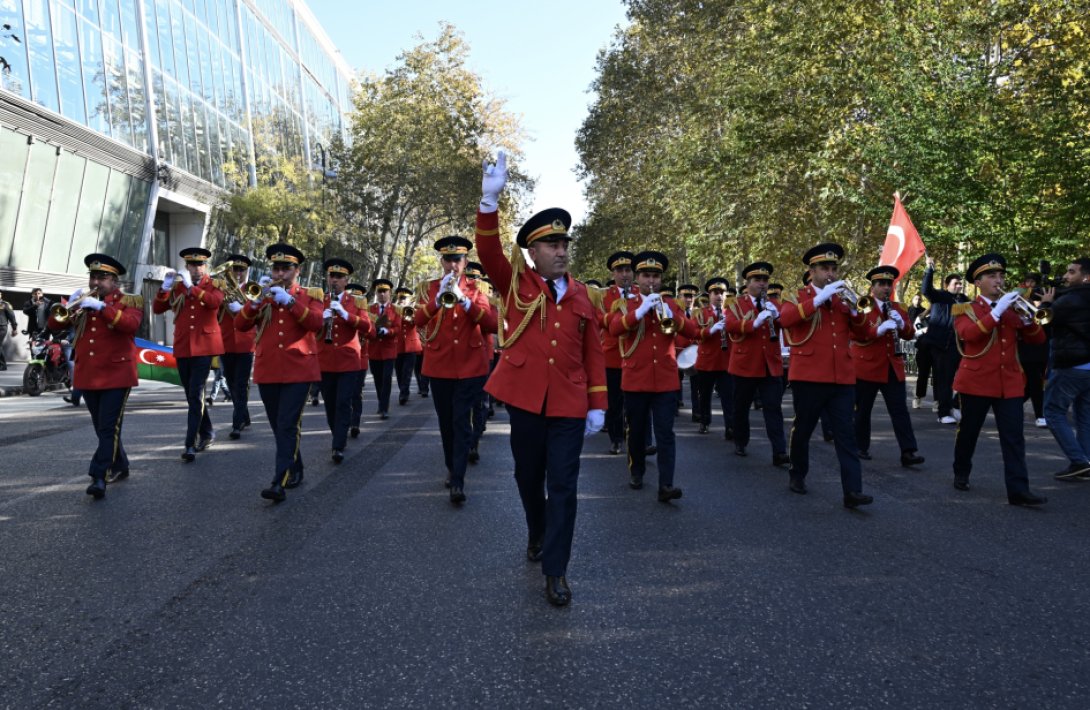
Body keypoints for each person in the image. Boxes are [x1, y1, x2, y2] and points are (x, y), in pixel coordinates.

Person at [476, 152, 606, 607]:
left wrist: (597, 402)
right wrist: (489, 204)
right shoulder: (515, 284)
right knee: (529, 477)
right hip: (527, 400)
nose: (561, 250)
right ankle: (536, 528)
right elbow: (489, 251)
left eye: (565, 243)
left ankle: (557, 570)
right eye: (552, 245)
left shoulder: (585, 295)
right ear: (533, 252)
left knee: (565, 485)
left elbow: (593, 349)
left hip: (570, 403)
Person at [779, 243, 875, 508]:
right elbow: (785, 320)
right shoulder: (797, 296)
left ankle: (852, 491)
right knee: (804, 429)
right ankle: (797, 473)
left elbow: (865, 334)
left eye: (833, 269)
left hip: (841, 377)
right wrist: (819, 299)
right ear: (812, 272)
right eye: (824, 269)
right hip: (809, 376)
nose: (830, 274)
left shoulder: (843, 300)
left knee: (846, 435)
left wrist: (856, 311)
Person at [951, 253, 1047, 506]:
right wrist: (997, 311)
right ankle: (961, 470)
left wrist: (1029, 321)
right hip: (976, 382)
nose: (998, 280)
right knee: (969, 431)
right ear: (978, 282)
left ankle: (1018, 490)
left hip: (1010, 382)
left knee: (1014, 437)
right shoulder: (966, 309)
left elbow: (1038, 341)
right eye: (992, 276)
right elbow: (968, 335)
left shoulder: (1013, 307)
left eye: (1001, 275)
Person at [47, 254, 142, 498]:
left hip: (117, 374)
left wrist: (103, 308)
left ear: (114, 281)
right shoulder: (83, 301)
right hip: (88, 374)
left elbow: (131, 325)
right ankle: (120, 463)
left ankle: (99, 475)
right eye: (93, 277)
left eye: (102, 277)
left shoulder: (129, 300)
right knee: (102, 428)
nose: (96, 282)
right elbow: (54, 325)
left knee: (109, 427)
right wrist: (71, 305)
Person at [235, 243, 324, 502]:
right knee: (278, 426)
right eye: (276, 268)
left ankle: (279, 481)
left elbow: (316, 323)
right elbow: (241, 325)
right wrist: (256, 301)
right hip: (268, 368)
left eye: (286, 268)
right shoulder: (263, 295)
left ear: (297, 270)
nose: (280, 273)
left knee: (287, 424)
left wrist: (292, 302)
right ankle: (295, 467)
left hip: (299, 369)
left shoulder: (311, 294)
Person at [609, 250, 701, 501]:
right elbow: (614, 328)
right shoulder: (625, 304)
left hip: (665, 379)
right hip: (636, 379)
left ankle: (666, 484)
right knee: (637, 431)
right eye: (646, 275)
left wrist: (676, 319)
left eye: (655, 276)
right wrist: (638, 313)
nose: (651, 281)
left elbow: (694, 331)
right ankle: (636, 470)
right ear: (637, 278)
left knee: (665, 433)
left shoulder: (672, 304)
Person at [413, 236, 497, 503]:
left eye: (457, 260)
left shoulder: (476, 288)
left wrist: (465, 301)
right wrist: (436, 302)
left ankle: (458, 480)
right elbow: (416, 320)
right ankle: (452, 466)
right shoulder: (428, 289)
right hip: (439, 366)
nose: (452, 265)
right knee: (446, 425)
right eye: (448, 260)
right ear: (441, 261)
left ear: (465, 262)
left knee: (461, 423)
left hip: (471, 366)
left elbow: (492, 324)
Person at [152, 247, 224, 462]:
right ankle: (208, 431)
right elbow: (157, 309)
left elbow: (215, 303)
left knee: (195, 394)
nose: (196, 268)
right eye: (192, 265)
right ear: (186, 266)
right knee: (193, 396)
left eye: (200, 264)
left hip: (204, 346)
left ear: (206, 266)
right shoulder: (177, 287)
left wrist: (191, 287)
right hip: (184, 346)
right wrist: (165, 288)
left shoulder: (214, 285)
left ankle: (189, 443)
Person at [850, 266, 925, 467]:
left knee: (899, 410)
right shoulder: (864, 304)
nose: (885, 288)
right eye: (881, 284)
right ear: (872, 286)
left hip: (892, 366)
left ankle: (908, 451)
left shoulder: (897, 307)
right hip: (867, 365)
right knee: (863, 410)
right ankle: (860, 446)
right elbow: (855, 332)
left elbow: (909, 334)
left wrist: (902, 325)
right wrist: (878, 330)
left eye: (888, 284)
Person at [724, 262, 789, 465]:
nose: (762, 284)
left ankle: (779, 451)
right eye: (757, 280)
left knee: (773, 407)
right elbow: (730, 325)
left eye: (765, 280)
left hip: (770, 364)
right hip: (745, 364)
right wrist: (754, 323)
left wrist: (778, 316)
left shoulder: (774, 303)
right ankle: (741, 441)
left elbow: (788, 324)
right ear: (748, 283)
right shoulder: (735, 304)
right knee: (741, 406)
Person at [1037, 257, 1090, 480]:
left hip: (1071, 365)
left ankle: (1078, 461)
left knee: (1052, 412)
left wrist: (1047, 303)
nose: (1066, 276)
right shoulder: (1075, 297)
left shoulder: (1073, 299)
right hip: (1087, 367)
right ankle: (1085, 462)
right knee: (1084, 417)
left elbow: (1043, 320)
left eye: (1071, 272)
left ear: (1086, 277)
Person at [317, 258, 371, 463]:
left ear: (347, 279)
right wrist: (320, 318)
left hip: (349, 360)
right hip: (325, 360)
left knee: (343, 402)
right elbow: (310, 327)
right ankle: (337, 434)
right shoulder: (318, 299)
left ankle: (338, 444)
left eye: (339, 277)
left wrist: (346, 315)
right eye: (332, 276)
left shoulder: (357, 302)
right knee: (330, 403)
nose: (335, 280)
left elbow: (367, 327)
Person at [920, 256, 969, 424]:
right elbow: (926, 289)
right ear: (947, 285)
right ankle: (943, 413)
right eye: (956, 283)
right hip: (941, 345)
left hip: (960, 346)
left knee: (966, 376)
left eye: (960, 283)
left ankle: (955, 405)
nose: (959, 286)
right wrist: (929, 269)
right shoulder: (939, 296)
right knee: (945, 380)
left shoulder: (964, 300)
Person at [599, 251, 636, 454]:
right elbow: (599, 319)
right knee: (614, 402)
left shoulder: (641, 295)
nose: (625, 274)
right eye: (620, 270)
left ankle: (640, 439)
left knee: (637, 402)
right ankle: (616, 438)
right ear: (613, 273)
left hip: (637, 355)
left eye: (628, 270)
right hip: (613, 356)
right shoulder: (604, 296)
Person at [217, 254, 256, 439]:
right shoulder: (221, 289)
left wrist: (242, 309)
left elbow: (257, 312)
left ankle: (236, 424)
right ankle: (244, 415)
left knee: (240, 384)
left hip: (245, 342)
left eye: (241, 270)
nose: (238, 273)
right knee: (231, 382)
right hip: (225, 342)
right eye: (235, 269)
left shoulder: (251, 290)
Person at [693, 277, 734, 437]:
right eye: (715, 293)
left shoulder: (732, 312)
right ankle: (704, 421)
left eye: (722, 293)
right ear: (709, 295)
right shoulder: (700, 313)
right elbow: (694, 333)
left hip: (726, 361)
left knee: (728, 397)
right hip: (707, 361)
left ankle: (730, 426)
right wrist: (709, 330)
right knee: (704, 395)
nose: (719, 296)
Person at [366, 279, 401, 420]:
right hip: (374, 349)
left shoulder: (396, 310)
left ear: (389, 293)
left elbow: (398, 328)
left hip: (388, 349)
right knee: (378, 378)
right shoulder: (369, 310)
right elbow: (366, 326)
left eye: (384, 291)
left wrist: (388, 332)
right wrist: (373, 331)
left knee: (386, 379)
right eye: (379, 291)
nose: (382, 294)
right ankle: (381, 401)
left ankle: (384, 407)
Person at [345, 283, 370, 438]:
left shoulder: (365, 314)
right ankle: (344, 421)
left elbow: (371, 332)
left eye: (358, 297)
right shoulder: (341, 311)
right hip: (344, 359)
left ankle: (355, 422)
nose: (355, 299)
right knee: (344, 395)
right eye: (352, 296)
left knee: (356, 393)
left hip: (360, 359)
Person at [393, 286, 422, 406]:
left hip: (411, 346)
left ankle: (404, 393)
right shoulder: (393, 310)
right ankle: (402, 389)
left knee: (407, 371)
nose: (402, 300)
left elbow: (418, 322)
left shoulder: (413, 309)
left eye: (404, 298)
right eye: (400, 297)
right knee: (399, 371)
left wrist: (410, 315)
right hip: (397, 346)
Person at [675, 284, 701, 412]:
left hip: (694, 353)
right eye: (685, 296)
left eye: (691, 296)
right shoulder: (674, 312)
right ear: (679, 297)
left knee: (696, 385)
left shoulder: (699, 313)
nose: (688, 299)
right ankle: (675, 405)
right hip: (677, 351)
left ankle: (696, 412)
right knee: (675, 381)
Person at [0, 289, 16, 370]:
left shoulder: (5, 304)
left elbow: (12, 317)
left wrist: (14, 328)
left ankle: (2, 365)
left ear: (1, 295)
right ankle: (2, 364)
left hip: (2, 327)